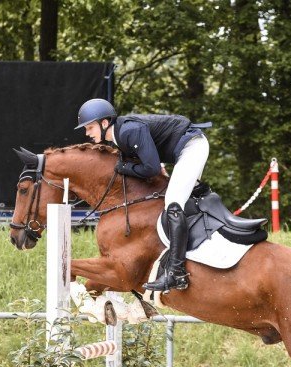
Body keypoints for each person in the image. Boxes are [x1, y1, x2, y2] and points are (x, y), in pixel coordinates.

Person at [75, 98, 211, 293]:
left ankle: (176, 273)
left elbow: (151, 168)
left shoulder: (128, 132)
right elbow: (155, 163)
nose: (87, 133)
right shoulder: (120, 136)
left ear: (104, 124)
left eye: (89, 127)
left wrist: (124, 167)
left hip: (192, 147)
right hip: (184, 149)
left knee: (173, 204)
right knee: (177, 198)